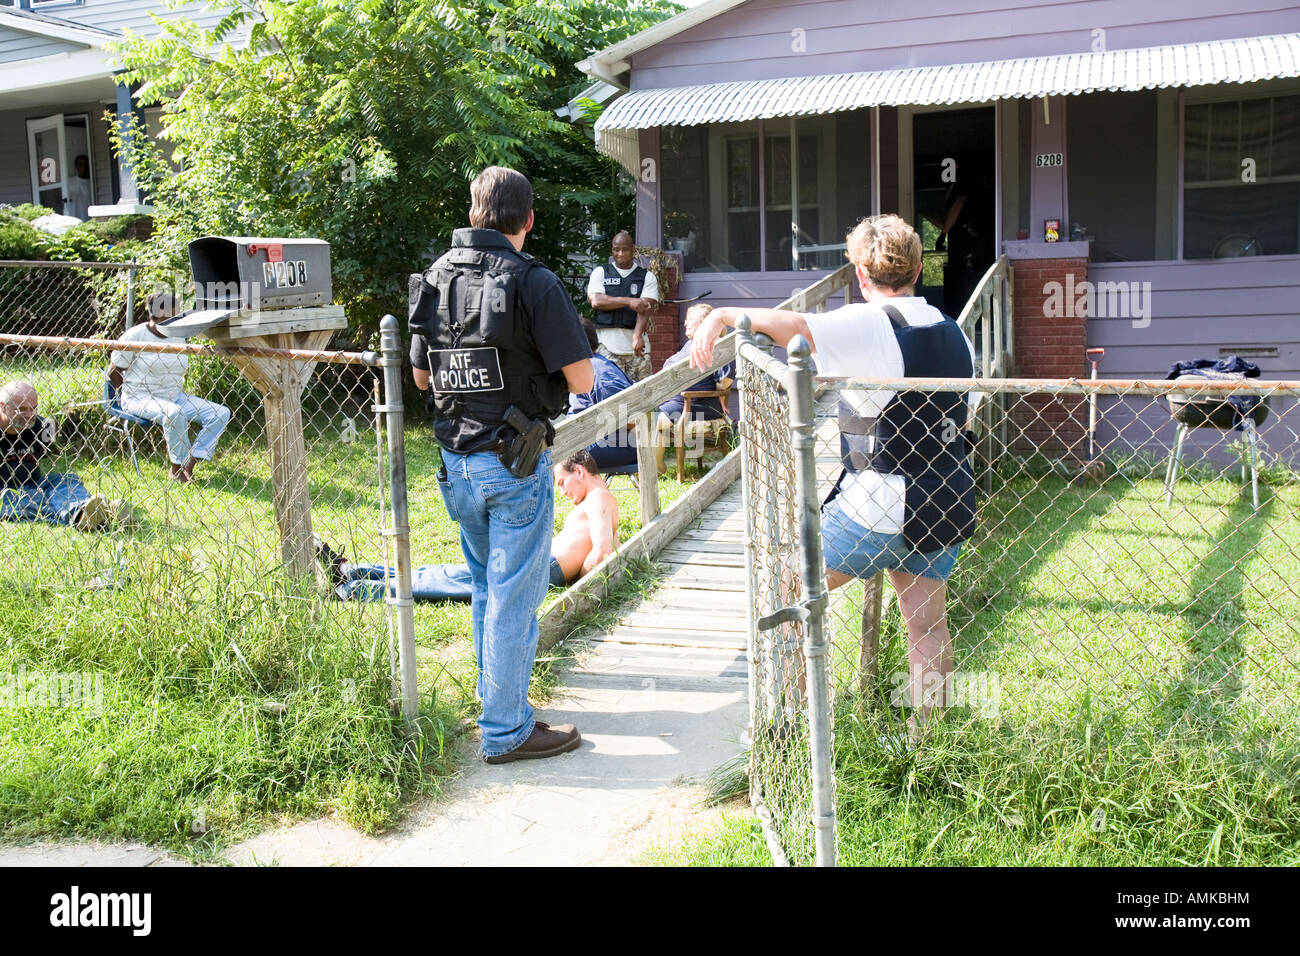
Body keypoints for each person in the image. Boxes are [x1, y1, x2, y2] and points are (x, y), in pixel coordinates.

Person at [690, 214, 976, 735]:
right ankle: (928, 743)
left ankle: (793, 729)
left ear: (861, 275)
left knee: (789, 586)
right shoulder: (954, 330)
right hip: (946, 500)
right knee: (927, 623)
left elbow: (793, 328)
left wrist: (721, 314)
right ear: (917, 268)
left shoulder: (870, 323)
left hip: (879, 505)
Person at [409, 165, 594, 765]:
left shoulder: (436, 275)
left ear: (472, 213)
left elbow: (418, 375)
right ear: (529, 220)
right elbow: (584, 379)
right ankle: (507, 730)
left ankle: (497, 705)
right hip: (514, 468)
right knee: (513, 597)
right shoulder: (533, 281)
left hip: (454, 465)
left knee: (490, 589)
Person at [320, 451, 619, 602]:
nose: (563, 491)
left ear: (579, 471)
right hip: (540, 564)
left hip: (544, 569)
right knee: (449, 573)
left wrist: (575, 583)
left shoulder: (599, 499)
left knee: (456, 583)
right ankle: (351, 571)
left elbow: (602, 553)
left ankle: (353, 589)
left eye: (563, 482)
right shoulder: (598, 501)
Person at [108, 292, 231, 483]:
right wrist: (129, 393)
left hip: (174, 396)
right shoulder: (135, 335)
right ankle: (176, 469)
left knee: (220, 413)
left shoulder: (178, 335)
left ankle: (189, 463)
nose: (180, 315)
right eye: (175, 311)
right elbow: (114, 372)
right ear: (161, 313)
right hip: (139, 397)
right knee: (174, 413)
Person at [1, 380, 135, 532]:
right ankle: (91, 515)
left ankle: (87, 511)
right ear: (3, 406)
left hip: (35, 483)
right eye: (22, 409)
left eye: (34, 408)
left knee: (66, 480)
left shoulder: (42, 426)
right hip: (5, 491)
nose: (30, 415)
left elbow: (48, 453)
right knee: (21, 502)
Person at [655, 303, 735, 474]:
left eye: (691, 319)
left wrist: (721, 395)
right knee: (648, 417)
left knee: (657, 419)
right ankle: (654, 465)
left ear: (705, 323)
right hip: (676, 400)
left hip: (697, 402)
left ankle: (655, 467)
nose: (685, 323)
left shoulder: (718, 344)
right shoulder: (690, 344)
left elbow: (726, 380)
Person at [587, 231, 658, 382]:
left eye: (624, 249)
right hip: (606, 349)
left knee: (642, 396)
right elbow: (596, 301)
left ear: (633, 250)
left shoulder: (646, 276)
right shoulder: (600, 272)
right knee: (613, 397)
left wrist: (637, 335)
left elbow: (645, 308)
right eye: (616, 249)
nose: (620, 253)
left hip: (637, 350)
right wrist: (629, 301)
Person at [567, 319, 637, 471]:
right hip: (594, 440)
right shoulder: (584, 368)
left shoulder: (600, 374)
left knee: (560, 457)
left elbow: (632, 419)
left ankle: (594, 493)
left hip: (618, 445)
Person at [65, 155, 93, 221]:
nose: (83, 167)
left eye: (85, 164)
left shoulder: (92, 183)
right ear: (76, 167)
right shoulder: (69, 182)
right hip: (73, 219)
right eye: (80, 164)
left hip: (89, 219)